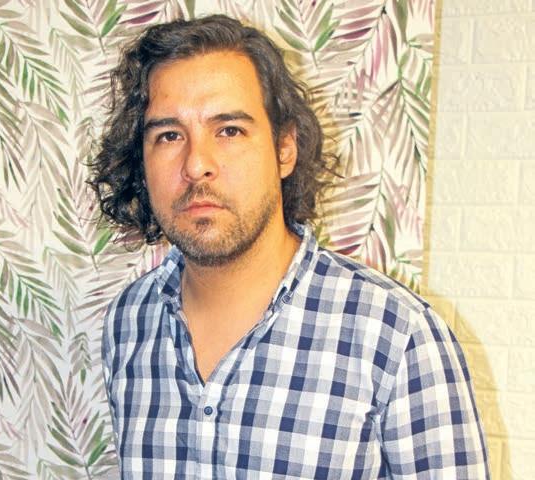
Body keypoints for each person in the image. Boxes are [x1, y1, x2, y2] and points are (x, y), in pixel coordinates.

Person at [88, 14, 490, 479]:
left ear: (284, 149)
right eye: (169, 135)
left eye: (229, 130)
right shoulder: (129, 322)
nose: (196, 164)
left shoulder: (398, 337)